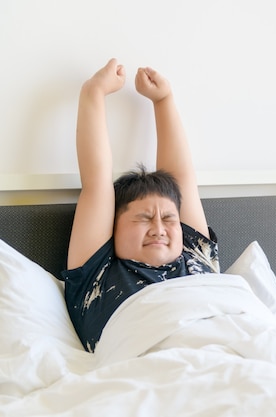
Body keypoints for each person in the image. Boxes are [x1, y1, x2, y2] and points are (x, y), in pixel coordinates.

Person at [62, 58, 220, 353]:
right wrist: (93, 91)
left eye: (169, 218)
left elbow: (182, 181)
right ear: (114, 228)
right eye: (144, 218)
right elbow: (97, 182)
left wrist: (164, 99)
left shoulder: (197, 257)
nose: (159, 228)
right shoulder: (97, 275)